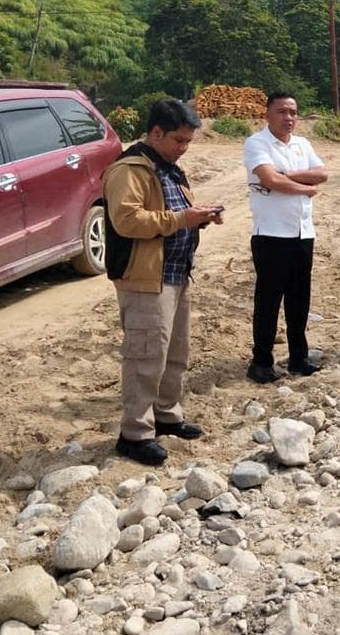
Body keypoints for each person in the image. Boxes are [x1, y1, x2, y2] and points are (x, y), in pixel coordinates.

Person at [103, 99, 224, 466]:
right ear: (156, 132)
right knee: (145, 356)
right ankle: (135, 434)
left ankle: (167, 415)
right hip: (145, 279)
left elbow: (173, 214)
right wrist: (182, 220)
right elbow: (127, 221)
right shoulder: (129, 170)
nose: (183, 148)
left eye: (188, 141)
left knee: (174, 353)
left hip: (175, 273)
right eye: (178, 140)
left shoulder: (168, 168)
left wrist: (199, 218)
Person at [243, 92, 328, 383]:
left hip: (303, 233)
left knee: (299, 299)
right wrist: (305, 187)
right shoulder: (257, 143)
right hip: (271, 234)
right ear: (267, 114)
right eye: (281, 112)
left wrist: (287, 175)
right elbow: (269, 179)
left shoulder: (302, 144)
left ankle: (298, 357)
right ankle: (261, 361)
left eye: (293, 112)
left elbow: (322, 173)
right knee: (268, 300)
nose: (288, 117)